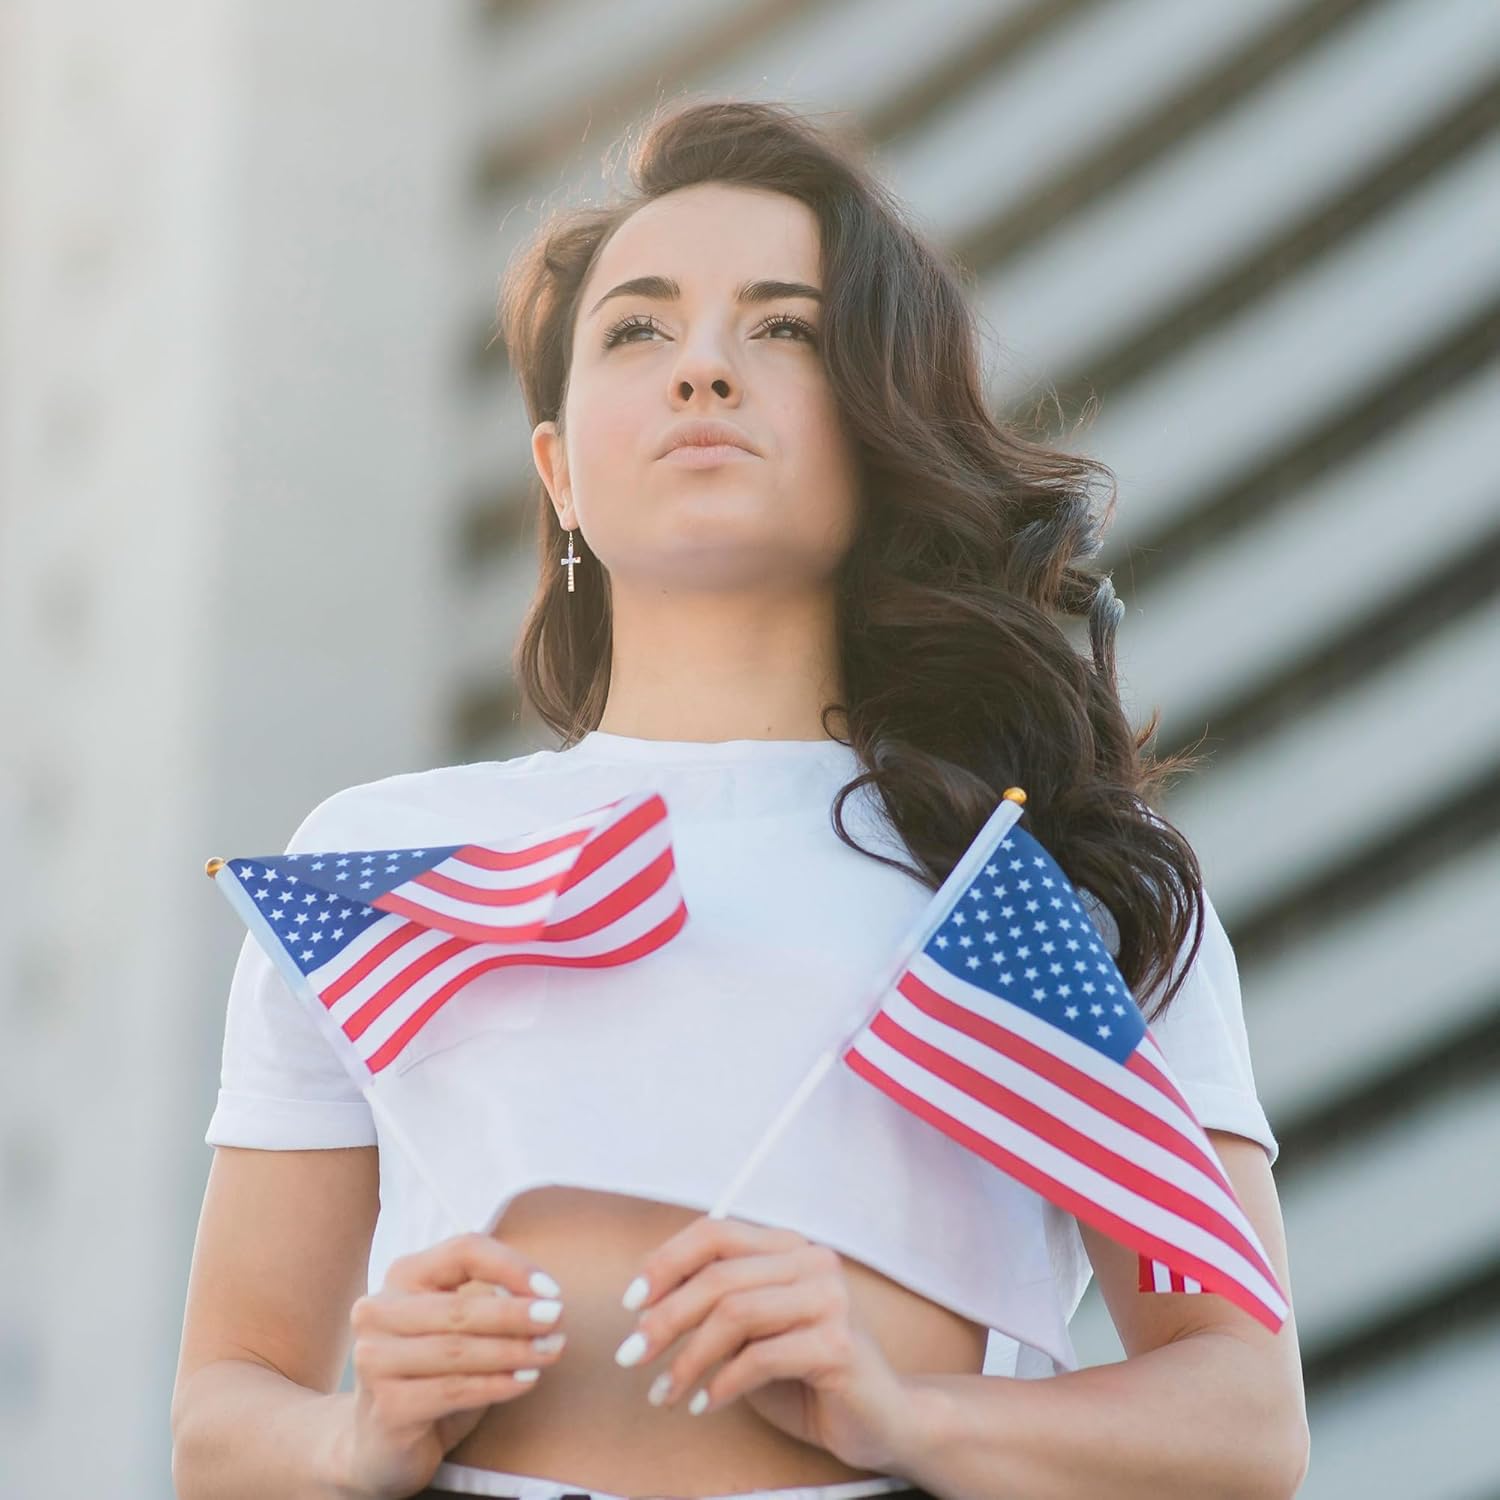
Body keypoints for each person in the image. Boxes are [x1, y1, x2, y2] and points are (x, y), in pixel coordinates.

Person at [171, 97, 1309, 1500]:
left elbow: (1246, 1424)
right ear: (559, 472)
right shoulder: (371, 864)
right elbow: (222, 1415)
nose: (703, 368)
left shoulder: (1048, 877)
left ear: (875, 422)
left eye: (784, 329)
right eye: (638, 329)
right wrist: (353, 1437)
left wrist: (905, 1414)